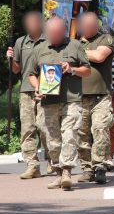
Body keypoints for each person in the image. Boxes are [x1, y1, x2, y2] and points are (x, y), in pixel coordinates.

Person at [27, 17, 91, 190]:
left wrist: (72, 69)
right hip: (49, 102)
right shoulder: (39, 49)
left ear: (64, 30)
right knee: (52, 140)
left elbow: (87, 70)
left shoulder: (75, 45)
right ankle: (57, 173)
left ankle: (67, 172)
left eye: (58, 32)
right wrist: (38, 86)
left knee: (69, 135)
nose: (54, 36)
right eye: (51, 33)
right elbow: (31, 74)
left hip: (71, 99)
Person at [7, 11, 46, 179]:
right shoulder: (20, 42)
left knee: (46, 128)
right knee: (27, 129)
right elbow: (16, 69)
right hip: (26, 90)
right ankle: (32, 165)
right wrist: (10, 59)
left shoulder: (49, 40)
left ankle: (53, 161)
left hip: (46, 91)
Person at [77, 12, 114, 184]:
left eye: (93, 25)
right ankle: (86, 169)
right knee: (81, 134)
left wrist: (77, 53)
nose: (90, 28)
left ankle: (99, 165)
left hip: (101, 96)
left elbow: (99, 56)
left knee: (100, 129)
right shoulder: (74, 42)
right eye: (86, 25)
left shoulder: (105, 39)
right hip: (79, 96)